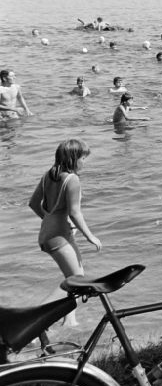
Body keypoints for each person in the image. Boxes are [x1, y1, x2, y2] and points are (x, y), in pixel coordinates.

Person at [29, 139, 103, 327]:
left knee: (77, 276)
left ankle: (69, 320)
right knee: (77, 281)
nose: (84, 162)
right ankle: (33, 320)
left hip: (48, 235)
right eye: (83, 158)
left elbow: (33, 203)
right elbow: (74, 212)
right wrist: (90, 236)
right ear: (73, 158)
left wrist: (49, 222)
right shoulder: (72, 180)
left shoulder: (48, 176)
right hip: (59, 238)